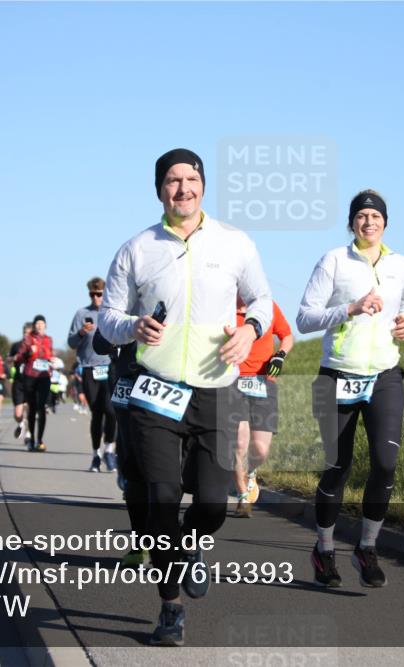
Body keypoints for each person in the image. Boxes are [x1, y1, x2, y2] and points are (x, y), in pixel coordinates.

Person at [99, 148, 271, 646]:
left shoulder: (234, 242)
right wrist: (133, 324)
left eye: (191, 178)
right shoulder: (137, 249)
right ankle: (170, 606)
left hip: (215, 388)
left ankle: (191, 547)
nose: (183, 188)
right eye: (172, 180)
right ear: (159, 190)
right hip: (155, 392)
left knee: (214, 505)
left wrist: (252, 328)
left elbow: (261, 298)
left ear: (203, 186)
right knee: (161, 499)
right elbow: (108, 319)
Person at [297, 189, 404, 589]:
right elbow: (304, 317)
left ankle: (367, 547)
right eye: (361, 216)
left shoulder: (400, 264)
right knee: (337, 467)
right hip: (338, 375)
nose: (369, 222)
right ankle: (324, 549)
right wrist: (349, 307)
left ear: (385, 223)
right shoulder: (333, 260)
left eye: (375, 216)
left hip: (384, 375)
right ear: (352, 223)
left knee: (385, 463)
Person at [93, 329, 150, 568]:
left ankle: (172, 539)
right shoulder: (123, 300)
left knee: (165, 471)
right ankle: (140, 545)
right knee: (134, 467)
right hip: (127, 380)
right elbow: (100, 341)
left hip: (167, 383)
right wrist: (130, 327)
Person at [232, 296, 293, 518]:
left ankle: (251, 474)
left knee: (260, 449)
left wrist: (280, 355)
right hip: (232, 382)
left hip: (263, 382)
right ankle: (242, 497)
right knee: (239, 443)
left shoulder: (267, 306)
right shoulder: (223, 305)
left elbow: (287, 336)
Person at [68, 277, 117, 472]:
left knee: (112, 411)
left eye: (99, 294)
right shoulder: (82, 314)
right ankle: (96, 454)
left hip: (110, 367)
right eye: (93, 294)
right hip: (89, 368)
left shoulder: (112, 313)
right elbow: (71, 343)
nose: (96, 298)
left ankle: (110, 450)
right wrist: (81, 333)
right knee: (97, 412)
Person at [14, 314, 53, 452]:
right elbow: (19, 356)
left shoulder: (49, 340)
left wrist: (51, 360)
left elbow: (49, 355)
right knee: (32, 407)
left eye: (42, 323)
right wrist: (28, 353)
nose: (39, 325)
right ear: (34, 325)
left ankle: (40, 440)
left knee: (41, 407)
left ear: (45, 326)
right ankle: (30, 438)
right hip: (30, 376)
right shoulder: (28, 339)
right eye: (37, 323)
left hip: (44, 376)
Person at [9, 322, 32, 440]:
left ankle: (28, 433)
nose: (26, 335)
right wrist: (13, 358)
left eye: (29, 333)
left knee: (29, 409)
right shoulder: (16, 346)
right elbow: (8, 359)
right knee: (18, 414)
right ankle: (21, 424)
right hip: (18, 382)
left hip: (31, 381)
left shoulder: (35, 345)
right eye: (24, 333)